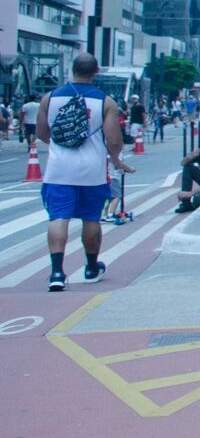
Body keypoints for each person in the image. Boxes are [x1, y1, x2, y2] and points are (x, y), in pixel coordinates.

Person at [39, 55, 133, 291]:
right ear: (96, 71)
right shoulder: (105, 101)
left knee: (58, 217)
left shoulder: (49, 98)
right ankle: (91, 268)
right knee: (91, 218)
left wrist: (63, 145)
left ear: (72, 70)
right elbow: (113, 139)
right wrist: (115, 160)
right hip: (92, 170)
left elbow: (42, 133)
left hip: (59, 169)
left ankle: (57, 273)